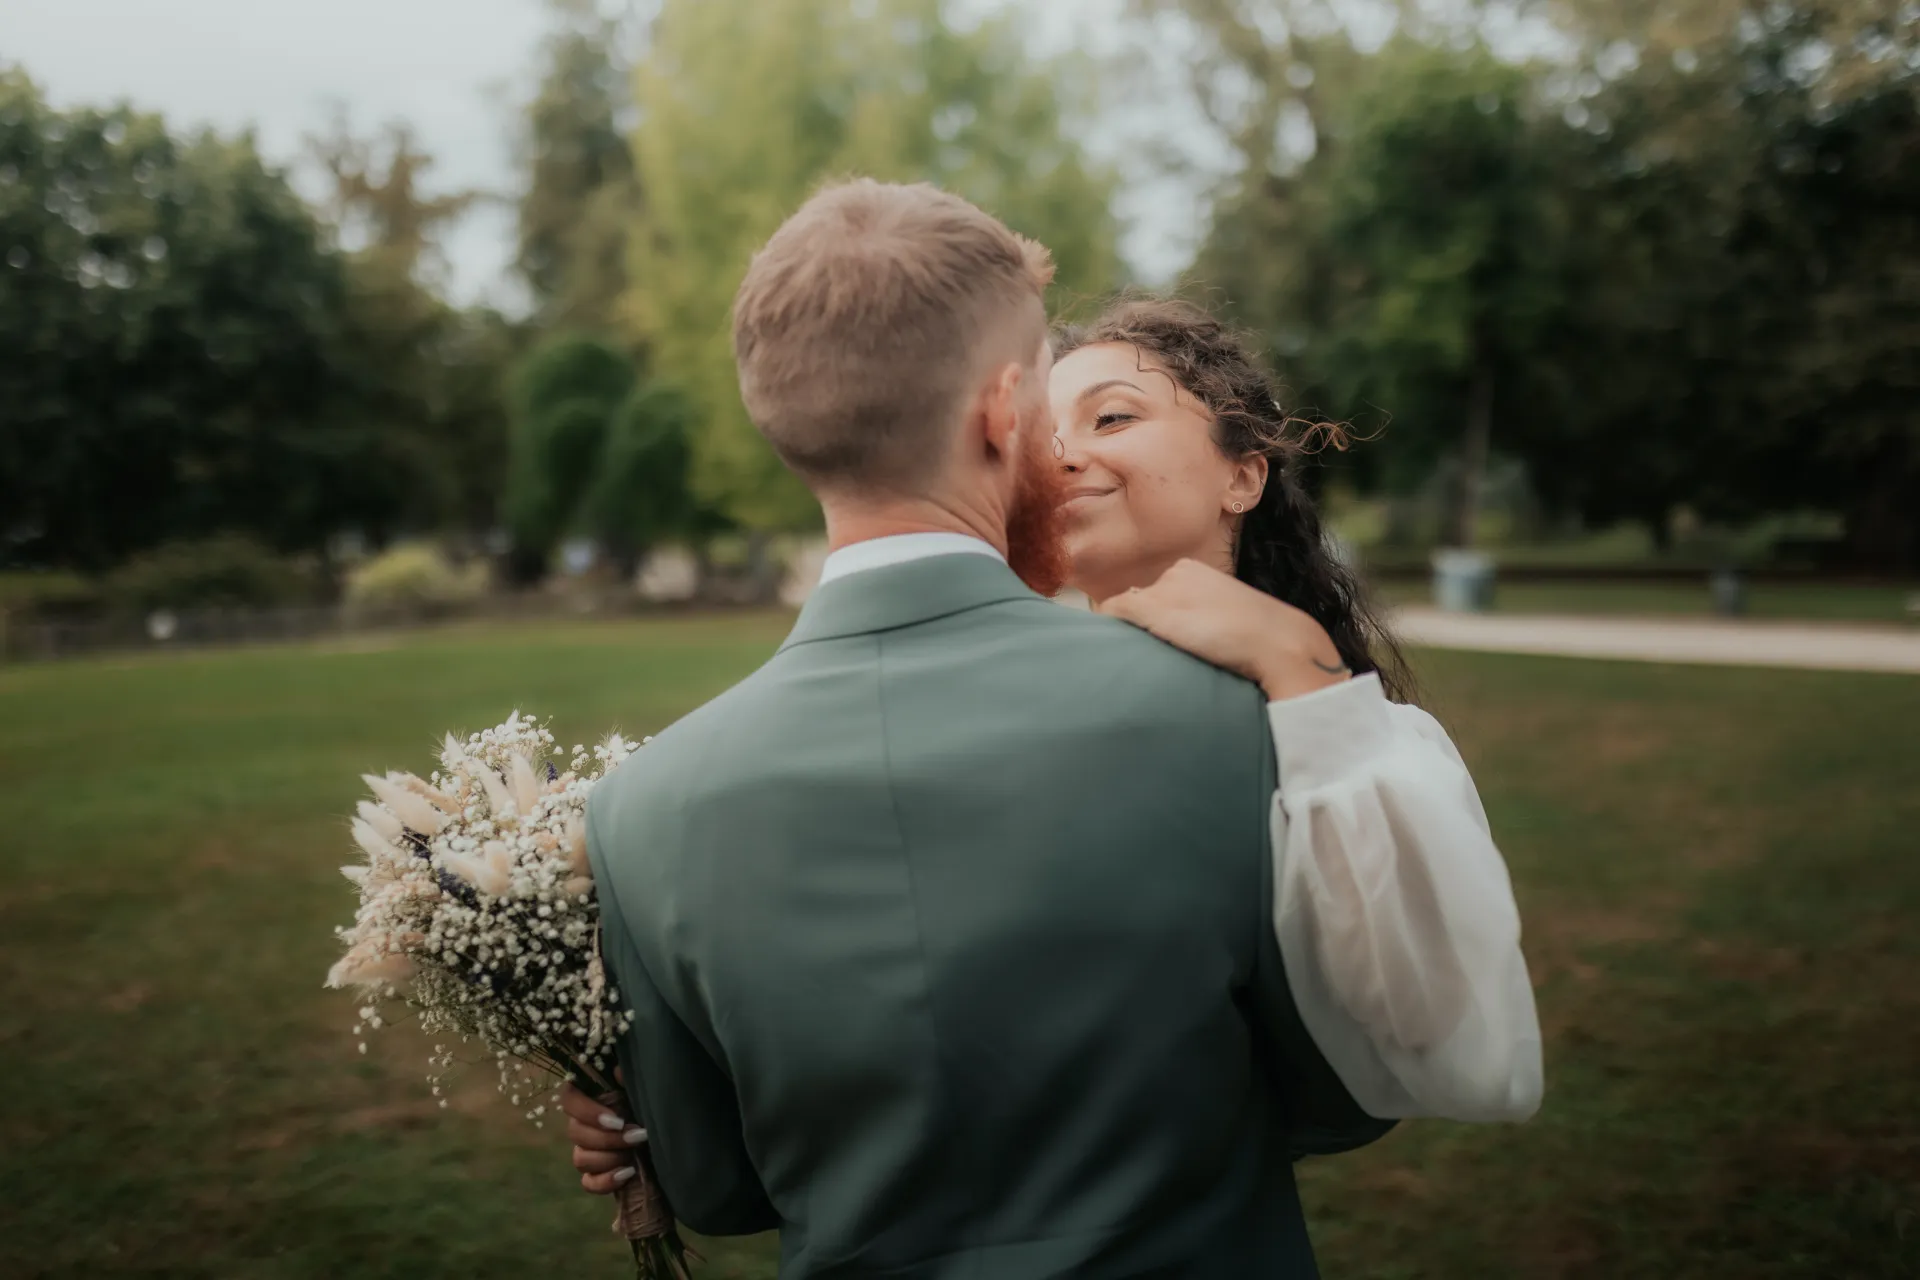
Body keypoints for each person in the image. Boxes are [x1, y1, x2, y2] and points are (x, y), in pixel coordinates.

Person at [565, 180, 1536, 1279]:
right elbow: (1340, 1091)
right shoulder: (1230, 717)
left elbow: (715, 1184)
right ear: (998, 411)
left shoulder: (634, 811)